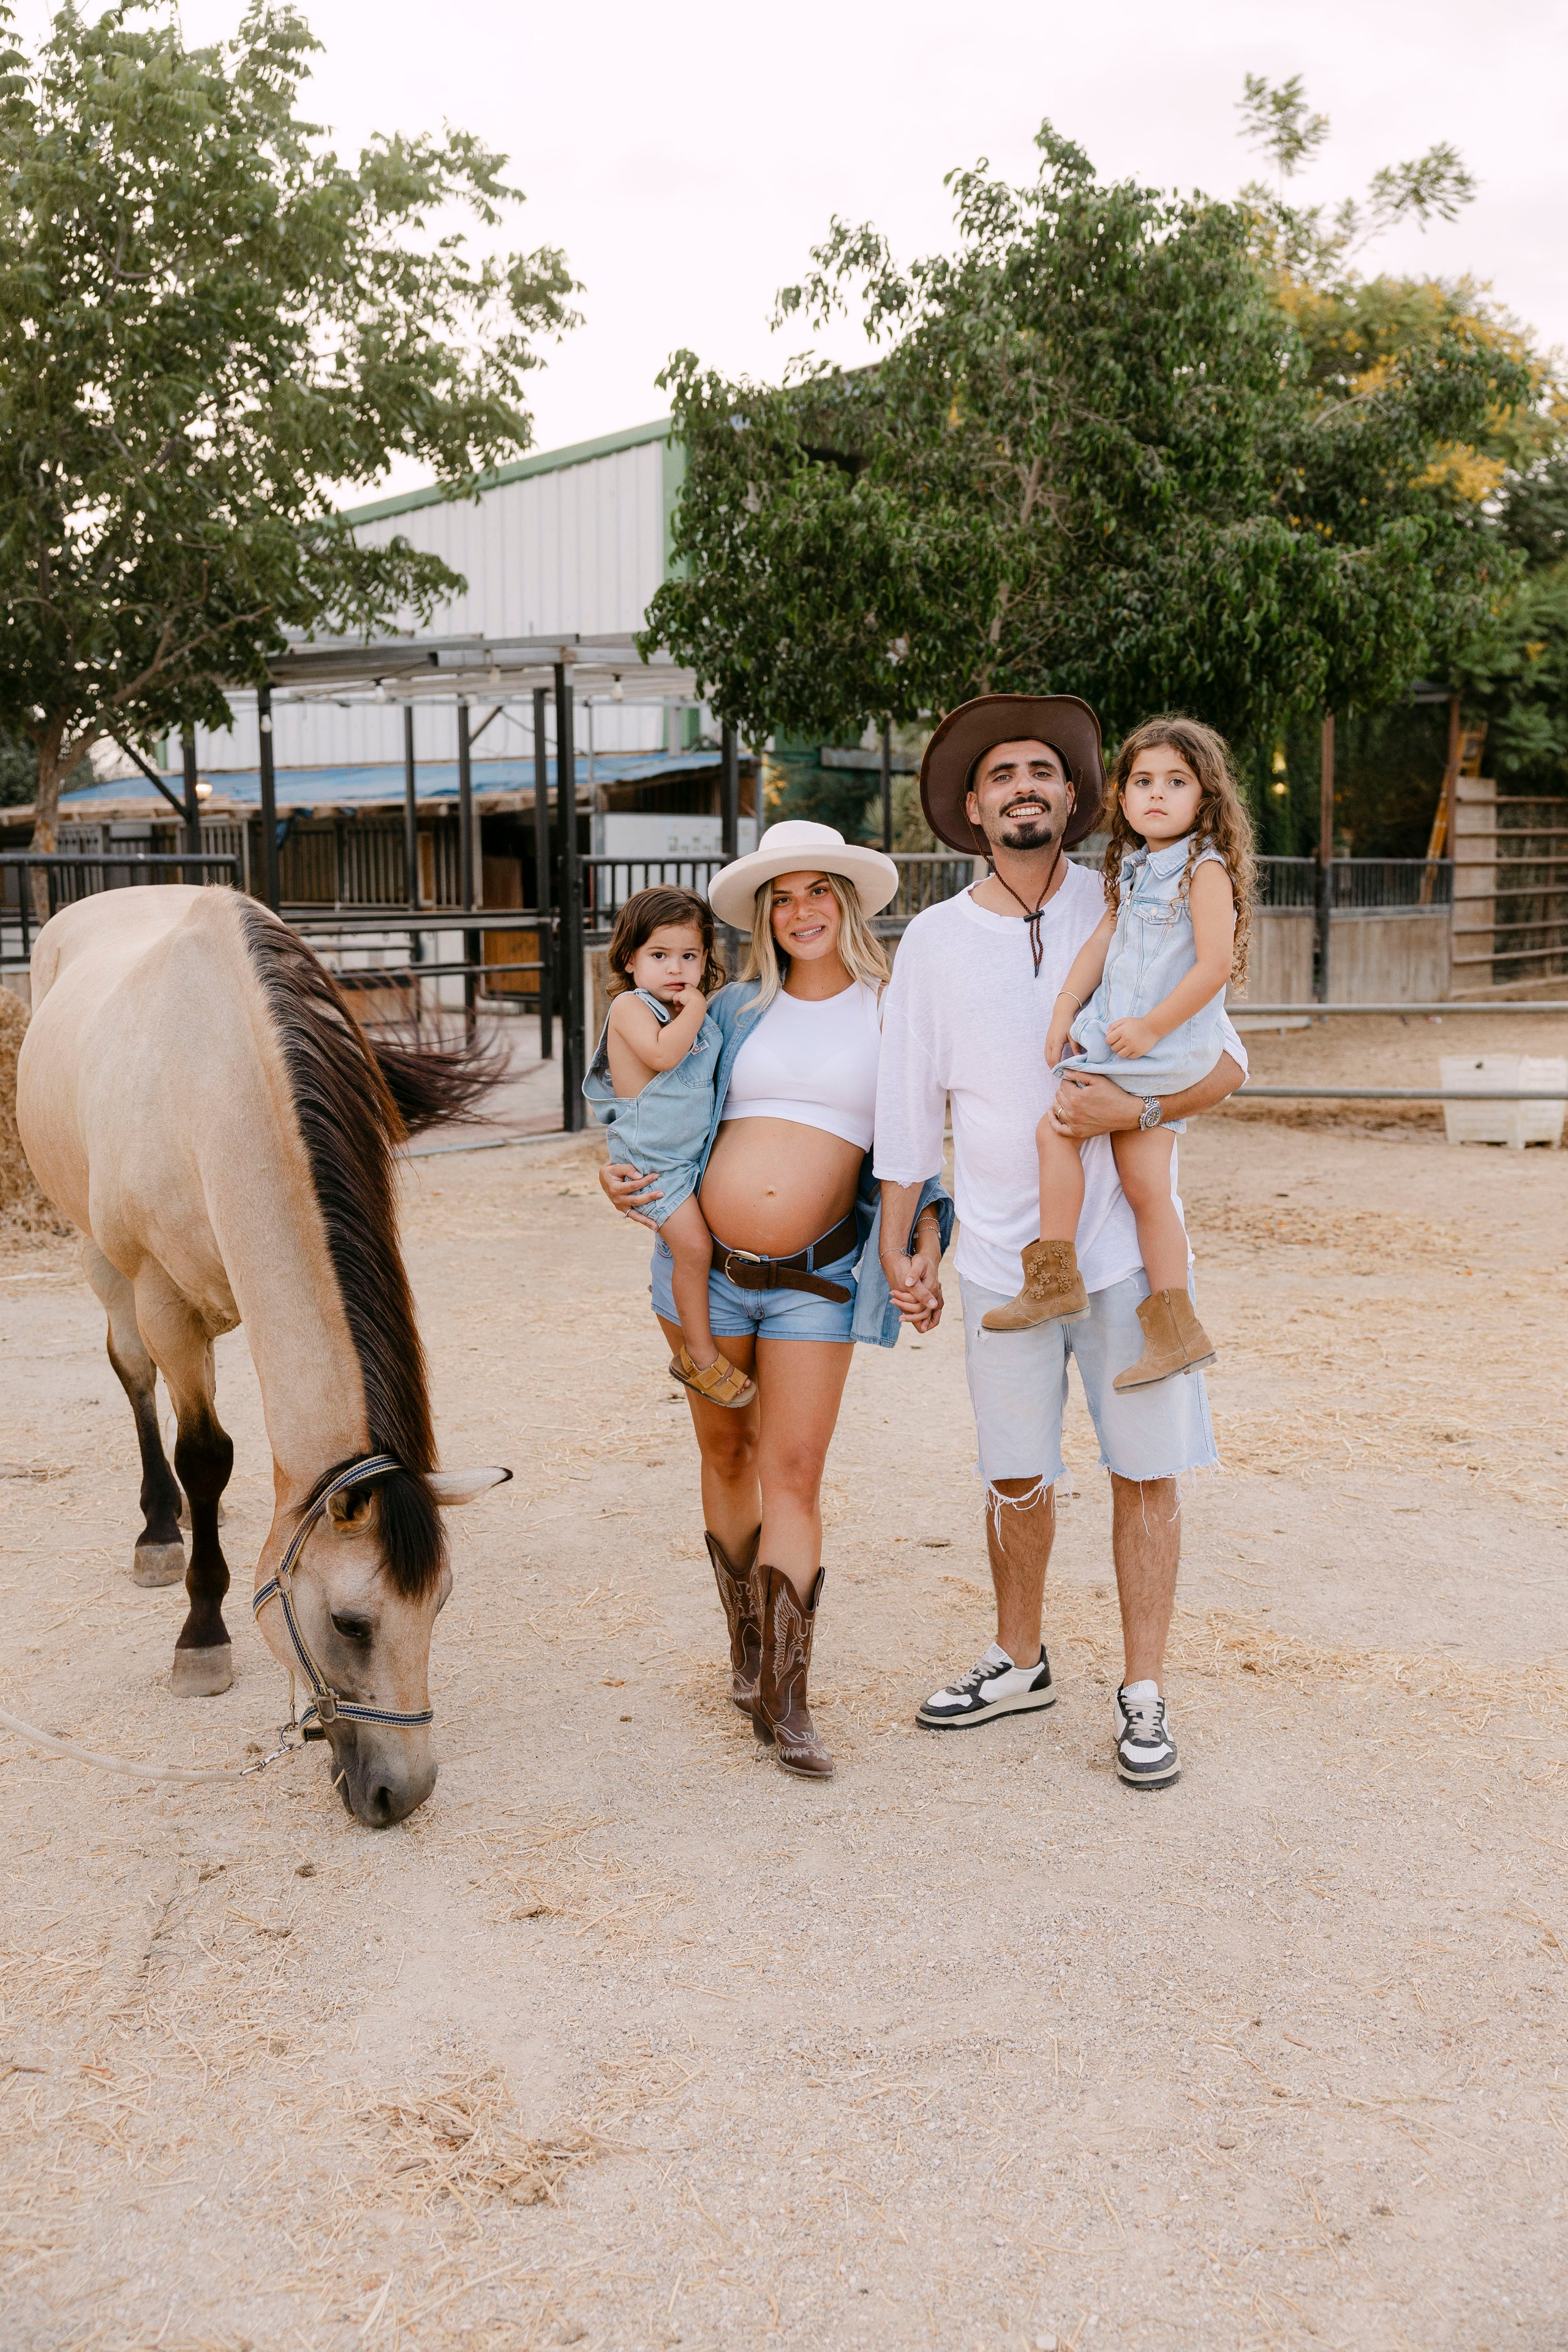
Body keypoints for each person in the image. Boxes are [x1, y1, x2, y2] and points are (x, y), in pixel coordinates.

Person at [873, 695, 1249, 1790]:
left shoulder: (1139, 897)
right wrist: (906, 1240)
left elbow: (1228, 1065)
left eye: (1045, 770)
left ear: (1079, 799)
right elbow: (907, 1110)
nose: (1025, 786)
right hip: (1001, 1259)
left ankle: (1142, 1690)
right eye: (1002, 775)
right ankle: (1018, 1658)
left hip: (1124, 1257)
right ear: (973, 808)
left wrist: (1131, 1116)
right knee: (1016, 1473)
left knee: (1145, 1473)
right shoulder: (936, 943)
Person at [598, 821, 952, 1783]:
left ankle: (791, 1700)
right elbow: (647, 1098)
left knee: (793, 1469)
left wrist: (926, 1242)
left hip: (819, 1281)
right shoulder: (731, 1008)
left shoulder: (889, 1009)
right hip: (707, 1277)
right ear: (764, 914)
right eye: (782, 897)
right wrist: (618, 1169)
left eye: (819, 892)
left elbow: (918, 1148)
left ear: (847, 902)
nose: (802, 912)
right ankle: (748, 1656)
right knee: (725, 1452)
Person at [981, 717, 1256, 1392]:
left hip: (1159, 1049)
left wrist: (1153, 1027)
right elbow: (1101, 945)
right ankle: (1175, 1331)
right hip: (1133, 1043)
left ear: (1205, 798)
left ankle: (1054, 1276)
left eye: (1175, 782)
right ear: (1122, 797)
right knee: (1144, 1189)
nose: (1156, 795)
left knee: (1057, 1129)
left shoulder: (1204, 868)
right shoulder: (1134, 869)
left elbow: (1214, 965)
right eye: (1142, 782)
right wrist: (1065, 1006)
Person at [584, 888, 756, 1410]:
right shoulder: (630, 1007)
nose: (676, 968)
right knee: (695, 1250)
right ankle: (699, 1357)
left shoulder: (689, 1012)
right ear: (631, 960)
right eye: (660, 956)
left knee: (701, 1245)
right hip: (655, 1163)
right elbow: (663, 1056)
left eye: (690, 956)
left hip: (688, 1158)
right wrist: (698, 1005)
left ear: (706, 958)